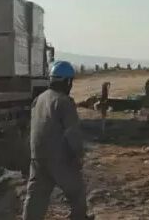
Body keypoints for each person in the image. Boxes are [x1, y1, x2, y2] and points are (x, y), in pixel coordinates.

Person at [22, 61, 93, 220]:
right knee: (77, 191)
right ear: (67, 81)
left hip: (37, 157)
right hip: (59, 159)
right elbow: (72, 133)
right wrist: (79, 154)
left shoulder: (39, 99)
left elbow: (33, 128)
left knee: (35, 196)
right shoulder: (64, 102)